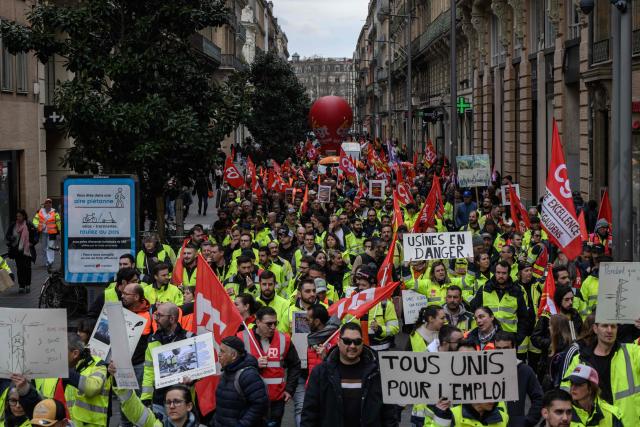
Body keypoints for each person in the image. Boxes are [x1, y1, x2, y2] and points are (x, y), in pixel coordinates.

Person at [301, 323, 398, 427]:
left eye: (357, 342)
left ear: (362, 342)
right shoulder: (321, 373)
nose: (352, 346)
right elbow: (309, 413)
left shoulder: (377, 372)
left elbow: (389, 413)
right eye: (347, 341)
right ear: (338, 342)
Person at [561, 321, 640, 427]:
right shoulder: (580, 360)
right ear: (595, 328)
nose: (609, 330)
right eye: (604, 326)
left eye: (613, 326)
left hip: (628, 423)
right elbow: (565, 394)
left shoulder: (632, 352)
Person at [238, 306, 301, 427]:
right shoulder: (242, 338)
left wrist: (289, 390)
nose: (273, 327)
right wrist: (254, 363)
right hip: (249, 400)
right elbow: (233, 365)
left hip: (276, 401)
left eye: (275, 323)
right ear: (258, 322)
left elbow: (295, 364)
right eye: (269, 324)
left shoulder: (284, 339)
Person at [141, 303, 194, 417]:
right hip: (159, 400)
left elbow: (201, 370)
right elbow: (149, 371)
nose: (155, 319)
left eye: (159, 315)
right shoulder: (152, 339)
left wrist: (193, 379)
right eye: (155, 315)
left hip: (182, 400)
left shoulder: (189, 338)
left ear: (172, 318)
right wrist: (146, 398)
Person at [471, 261, 529, 356]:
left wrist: (518, 338)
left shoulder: (517, 291)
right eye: (498, 273)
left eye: (504, 273)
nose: (500, 276)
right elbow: (474, 308)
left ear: (509, 273)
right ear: (494, 273)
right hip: (488, 337)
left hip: (509, 338)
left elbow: (524, 317)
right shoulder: (485, 288)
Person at [214, 336, 269, 426]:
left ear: (234, 355)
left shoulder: (248, 375)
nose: (219, 354)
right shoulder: (226, 372)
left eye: (222, 351)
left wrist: (242, 424)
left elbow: (260, 405)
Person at [493, 331, 543, 427]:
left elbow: (539, 398)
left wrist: (528, 421)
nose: (502, 352)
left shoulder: (524, 370)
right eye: (498, 348)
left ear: (513, 348)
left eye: (506, 348)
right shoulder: (487, 370)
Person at [5, 209, 37, 293]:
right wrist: (12, 238)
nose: (18, 218)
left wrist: (32, 243)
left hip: (27, 250)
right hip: (17, 250)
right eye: (17, 216)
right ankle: (21, 286)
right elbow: (7, 235)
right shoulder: (13, 225)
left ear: (24, 216)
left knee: (27, 268)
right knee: (20, 268)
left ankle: (27, 285)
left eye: (19, 216)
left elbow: (36, 235)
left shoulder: (29, 224)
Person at [31, 198, 61, 272]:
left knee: (50, 247)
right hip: (43, 232)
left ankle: (50, 261)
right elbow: (35, 220)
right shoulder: (40, 212)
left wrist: (60, 230)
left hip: (52, 233)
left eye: (50, 203)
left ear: (51, 204)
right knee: (44, 247)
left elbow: (58, 222)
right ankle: (46, 261)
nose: (48, 204)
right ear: (44, 204)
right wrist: (36, 227)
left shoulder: (55, 212)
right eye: (47, 203)